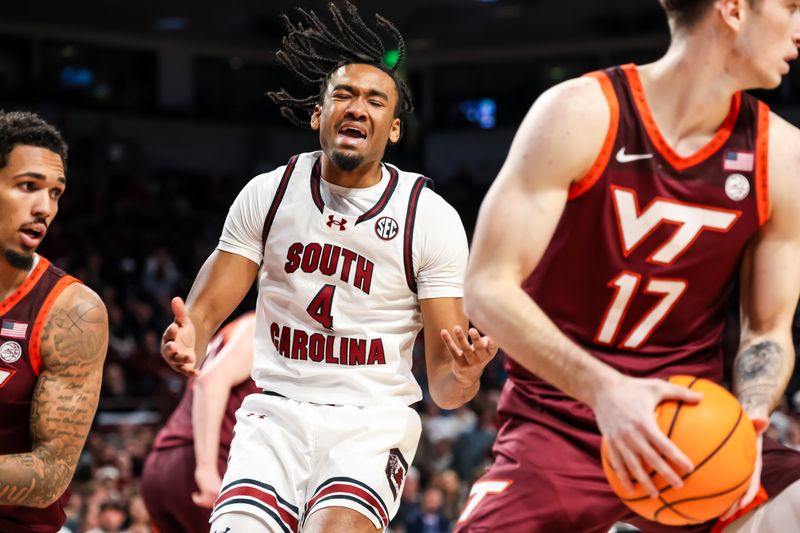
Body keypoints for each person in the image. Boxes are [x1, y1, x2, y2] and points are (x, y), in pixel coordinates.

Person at [456, 0, 800, 531]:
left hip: (693, 426)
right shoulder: (580, 114)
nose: (798, 28)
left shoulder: (781, 154)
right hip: (561, 428)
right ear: (732, 9)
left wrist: (749, 421)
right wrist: (605, 390)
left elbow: (768, 327)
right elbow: (486, 287)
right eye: (791, 7)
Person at [160, 3, 496, 532]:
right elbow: (202, 315)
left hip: (371, 422)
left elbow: (447, 389)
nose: (357, 108)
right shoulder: (268, 195)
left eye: (374, 100)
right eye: (343, 94)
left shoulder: (428, 218)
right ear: (318, 116)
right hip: (275, 414)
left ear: (395, 128)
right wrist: (190, 342)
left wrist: (467, 375)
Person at [0, 111, 109, 532]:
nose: (44, 208)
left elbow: (50, 475)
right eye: (28, 187)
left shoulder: (72, 312)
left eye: (56, 193)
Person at [142, 311, 258, 533]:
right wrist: (206, 469)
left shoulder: (235, 329)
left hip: (163, 461)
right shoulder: (258, 324)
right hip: (202, 462)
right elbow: (210, 382)